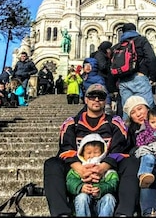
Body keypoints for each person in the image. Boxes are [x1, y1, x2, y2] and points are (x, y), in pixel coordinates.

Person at [43, 83, 140, 217]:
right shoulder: (71, 123)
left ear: (105, 100)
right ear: (86, 99)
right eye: (92, 96)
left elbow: (120, 149)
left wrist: (102, 167)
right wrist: (81, 169)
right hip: (77, 170)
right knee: (52, 163)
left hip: (108, 170)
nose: (96, 100)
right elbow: (66, 149)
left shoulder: (116, 122)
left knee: (132, 162)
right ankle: (61, 213)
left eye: (100, 97)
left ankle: (123, 212)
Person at [111, 22, 156, 120]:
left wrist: (115, 84)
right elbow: (151, 59)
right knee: (147, 109)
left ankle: (127, 133)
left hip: (123, 80)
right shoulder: (141, 40)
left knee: (128, 111)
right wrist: (153, 77)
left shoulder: (117, 46)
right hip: (139, 77)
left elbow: (111, 66)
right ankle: (150, 134)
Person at [66, 133, 119, 217]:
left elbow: (113, 183)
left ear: (102, 153)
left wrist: (101, 188)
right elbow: (70, 182)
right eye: (89, 153)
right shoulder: (79, 169)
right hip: (83, 203)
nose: (92, 155)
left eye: (96, 152)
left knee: (109, 198)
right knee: (82, 197)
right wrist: (80, 187)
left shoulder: (106, 169)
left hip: (100, 201)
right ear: (82, 153)